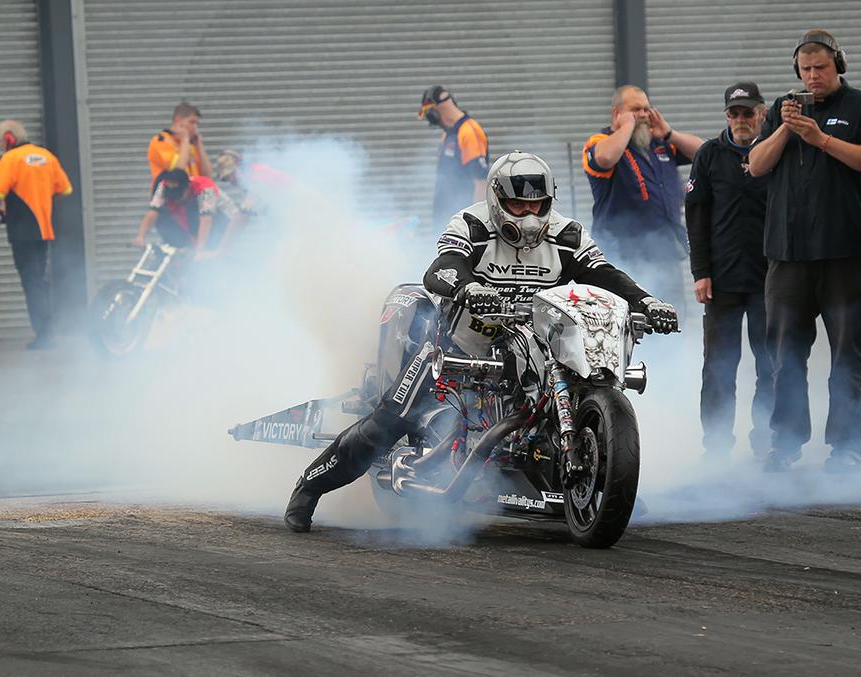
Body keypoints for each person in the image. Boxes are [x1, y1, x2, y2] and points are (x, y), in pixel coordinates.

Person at [282, 151, 678, 532]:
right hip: (462, 345)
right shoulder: (471, 224)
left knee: (581, 379)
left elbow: (602, 272)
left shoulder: (567, 233)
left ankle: (598, 479)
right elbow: (440, 269)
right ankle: (308, 488)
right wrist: (470, 288)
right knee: (390, 419)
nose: (528, 215)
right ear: (497, 199)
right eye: (518, 206)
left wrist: (647, 301)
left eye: (537, 206)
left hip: (537, 338)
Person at [748, 29, 861, 474]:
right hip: (789, 259)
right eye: (806, 69)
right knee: (785, 358)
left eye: (821, 68)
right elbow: (755, 165)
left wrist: (821, 139)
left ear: (838, 67)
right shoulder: (782, 111)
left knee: (847, 357)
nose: (813, 77)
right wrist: (788, 131)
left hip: (847, 256)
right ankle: (786, 444)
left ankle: (846, 450)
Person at [684, 82, 772, 461]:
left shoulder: (775, 152)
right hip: (721, 283)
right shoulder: (709, 155)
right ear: (726, 116)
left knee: (771, 366)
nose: (741, 120)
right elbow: (695, 217)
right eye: (734, 113)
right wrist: (701, 272)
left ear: (762, 113)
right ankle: (716, 447)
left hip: (770, 280)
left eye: (747, 113)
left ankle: (767, 441)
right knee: (719, 371)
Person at [583, 85, 703, 325]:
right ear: (616, 113)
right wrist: (627, 126)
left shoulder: (660, 144)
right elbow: (605, 158)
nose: (643, 115)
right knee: (627, 324)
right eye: (635, 109)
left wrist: (669, 133)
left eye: (647, 109)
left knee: (671, 319)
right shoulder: (601, 141)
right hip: (622, 258)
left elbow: (704, 153)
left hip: (665, 253)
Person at [0, 120, 73, 350]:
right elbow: (65, 189)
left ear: (8, 138)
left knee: (32, 282)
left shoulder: (10, 159)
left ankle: (44, 336)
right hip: (44, 230)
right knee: (41, 280)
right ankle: (49, 332)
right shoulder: (46, 155)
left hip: (22, 231)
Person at [418, 85, 489, 228]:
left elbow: (481, 182)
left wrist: (473, 225)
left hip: (462, 224)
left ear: (435, 112)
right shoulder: (447, 135)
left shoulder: (469, 132)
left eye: (428, 114)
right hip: (445, 220)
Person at [133, 168, 239, 258]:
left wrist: (200, 250)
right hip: (196, 213)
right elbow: (153, 212)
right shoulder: (164, 186)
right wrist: (141, 237)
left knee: (210, 251)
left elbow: (206, 219)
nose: (176, 199)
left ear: (188, 187)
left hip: (225, 219)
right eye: (172, 195)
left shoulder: (206, 189)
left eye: (179, 195)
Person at [147, 101, 213, 192]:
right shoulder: (161, 141)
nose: (195, 127)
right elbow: (177, 173)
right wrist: (185, 140)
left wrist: (199, 145)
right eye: (191, 122)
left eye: (197, 124)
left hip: (191, 198)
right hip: (168, 199)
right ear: (178, 121)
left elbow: (208, 177)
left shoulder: (191, 144)